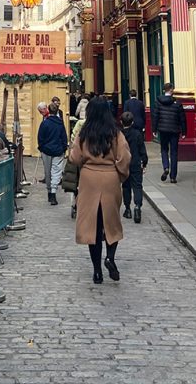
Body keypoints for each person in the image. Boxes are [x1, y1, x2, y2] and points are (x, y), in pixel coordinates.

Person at [70, 97, 131, 284]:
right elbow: (125, 156)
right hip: (110, 177)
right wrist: (119, 175)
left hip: (89, 179)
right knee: (111, 223)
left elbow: (74, 156)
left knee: (92, 227)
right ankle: (110, 258)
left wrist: (86, 166)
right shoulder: (115, 133)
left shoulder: (84, 132)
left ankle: (97, 271)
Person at [151, 84, 186, 184]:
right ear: (171, 90)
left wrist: (154, 129)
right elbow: (182, 118)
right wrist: (184, 131)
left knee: (164, 149)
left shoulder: (158, 102)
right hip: (174, 130)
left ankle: (166, 167)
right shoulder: (177, 103)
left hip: (163, 130)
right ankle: (173, 177)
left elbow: (155, 116)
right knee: (174, 153)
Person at [37, 101, 68, 205]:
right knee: (56, 171)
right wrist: (63, 148)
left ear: (48, 110)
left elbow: (40, 137)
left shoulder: (44, 123)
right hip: (58, 150)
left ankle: (50, 192)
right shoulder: (60, 124)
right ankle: (53, 192)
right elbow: (64, 137)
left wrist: (42, 148)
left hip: (46, 150)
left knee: (48, 171)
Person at [120, 112, 148, 223]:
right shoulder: (137, 134)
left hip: (124, 164)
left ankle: (127, 209)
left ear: (121, 122)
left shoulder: (120, 135)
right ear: (132, 122)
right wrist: (144, 163)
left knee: (126, 186)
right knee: (137, 186)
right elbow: (142, 151)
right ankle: (137, 205)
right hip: (135, 163)